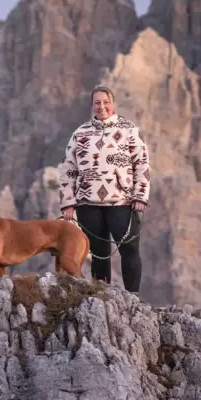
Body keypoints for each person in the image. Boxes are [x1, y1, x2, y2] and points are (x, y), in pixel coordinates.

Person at [58, 85, 151, 293]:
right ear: (92, 106)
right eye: (97, 103)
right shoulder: (80, 133)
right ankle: (103, 295)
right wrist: (68, 202)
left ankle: (133, 296)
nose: (102, 107)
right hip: (87, 204)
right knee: (98, 252)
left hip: (122, 202)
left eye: (105, 102)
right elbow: (69, 169)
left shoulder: (129, 130)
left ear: (112, 103)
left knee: (129, 249)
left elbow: (142, 163)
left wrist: (140, 196)